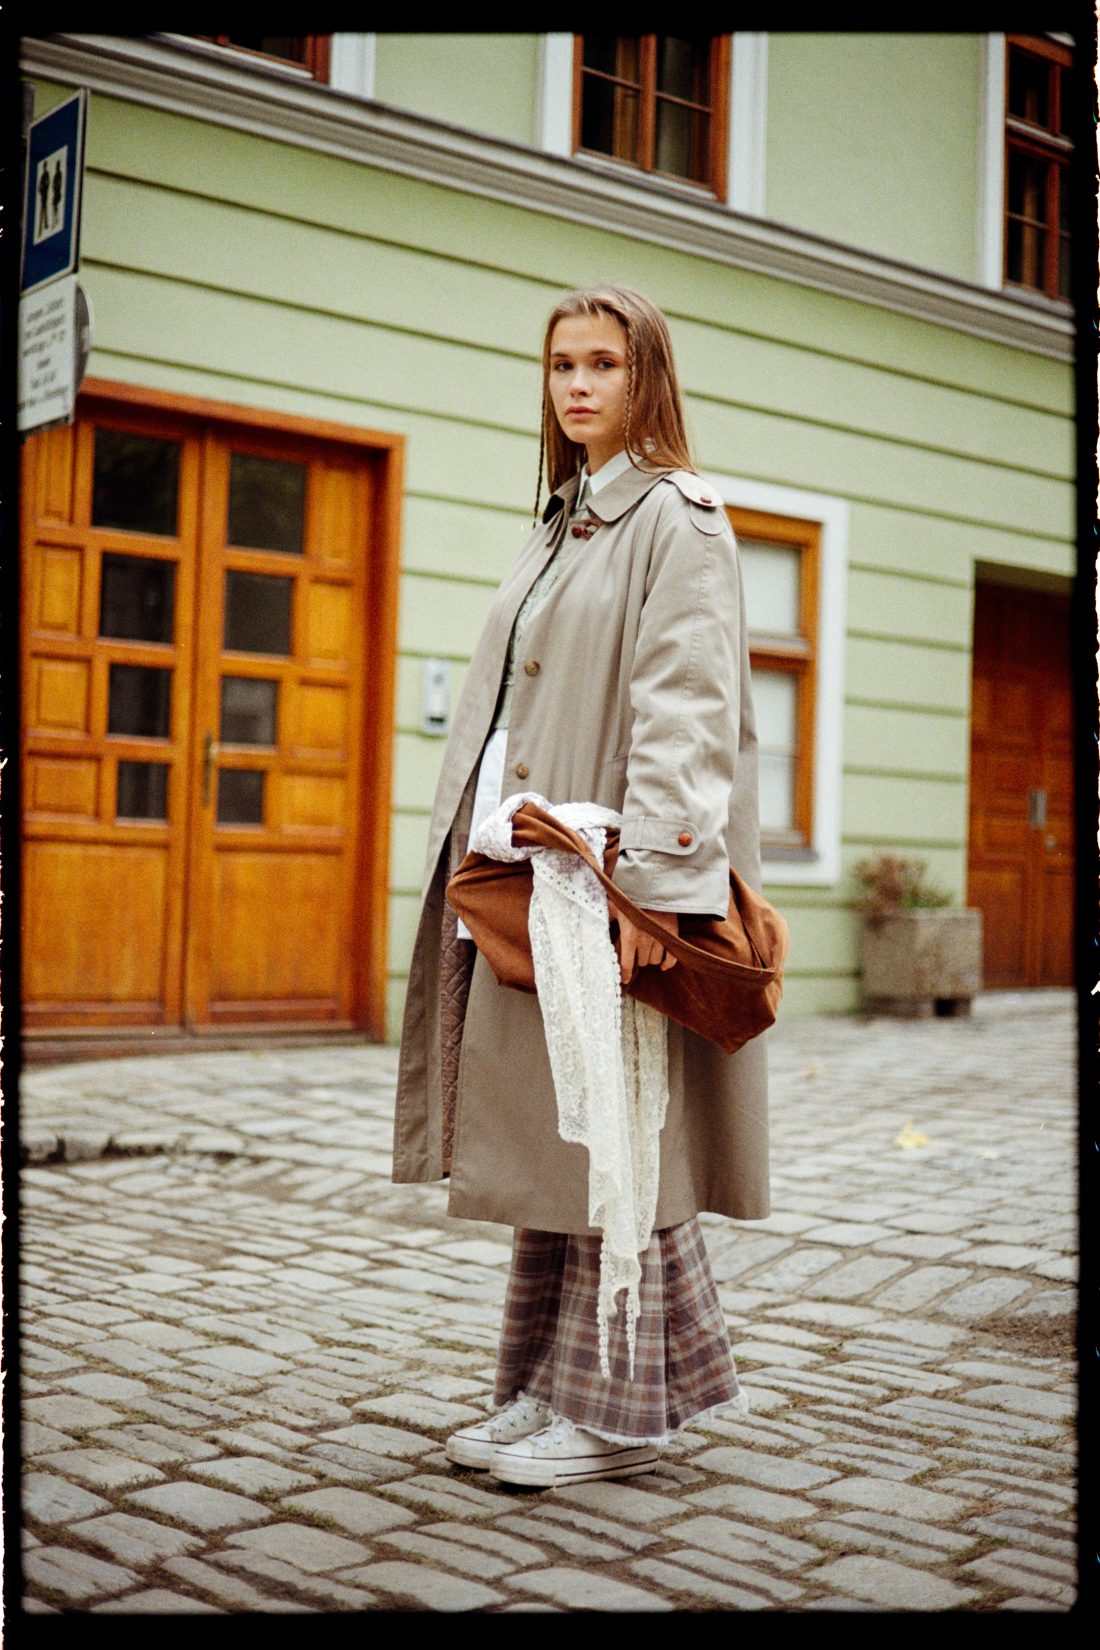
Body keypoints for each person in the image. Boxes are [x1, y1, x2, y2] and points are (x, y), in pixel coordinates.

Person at [392, 283, 769, 1488]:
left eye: (602, 363)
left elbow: (686, 716)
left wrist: (648, 895)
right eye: (561, 364)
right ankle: (543, 1385)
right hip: (531, 874)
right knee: (559, 1139)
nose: (576, 384)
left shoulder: (678, 520)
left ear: (646, 377)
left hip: (612, 887)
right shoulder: (560, 518)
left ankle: (615, 1411)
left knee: (621, 1139)